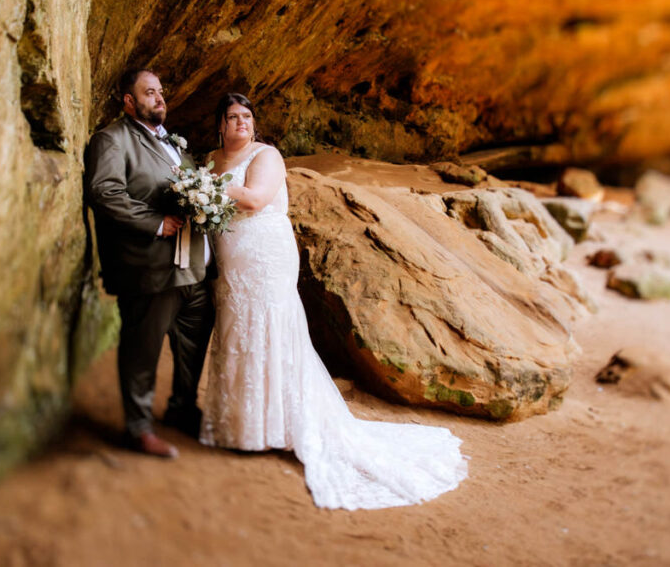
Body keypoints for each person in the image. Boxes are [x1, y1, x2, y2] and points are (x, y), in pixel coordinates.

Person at [200, 92, 468, 509]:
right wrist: (199, 187)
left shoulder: (265, 155)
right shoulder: (209, 159)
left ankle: (282, 425)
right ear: (219, 123)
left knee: (269, 326)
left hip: (266, 255)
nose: (240, 123)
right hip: (231, 260)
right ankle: (243, 426)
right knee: (238, 327)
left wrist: (206, 187)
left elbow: (254, 199)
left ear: (255, 124)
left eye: (247, 117)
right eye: (232, 117)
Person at [84, 69, 214, 459]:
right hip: (149, 268)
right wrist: (155, 223)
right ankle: (137, 428)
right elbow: (104, 192)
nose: (159, 98)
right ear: (129, 101)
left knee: (192, 344)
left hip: (192, 268)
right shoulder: (112, 139)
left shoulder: (173, 143)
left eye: (160, 91)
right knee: (142, 349)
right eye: (149, 92)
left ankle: (181, 410)